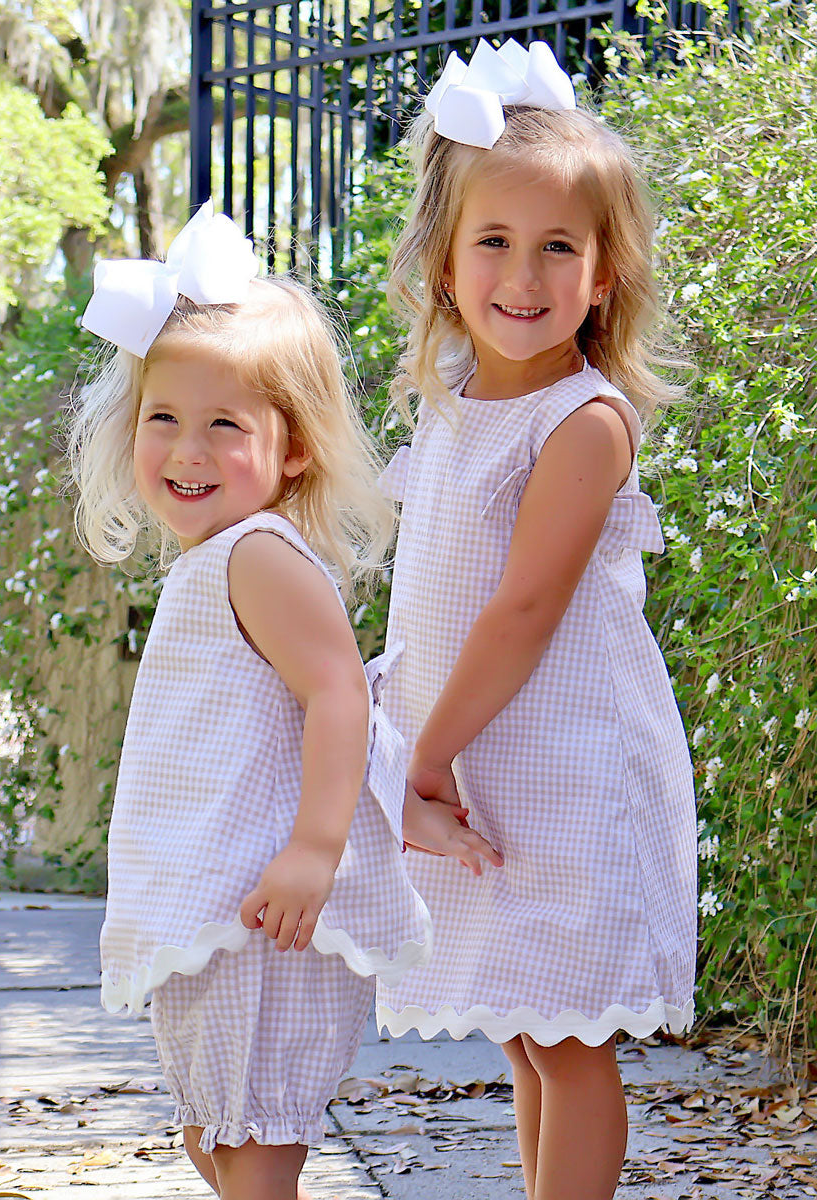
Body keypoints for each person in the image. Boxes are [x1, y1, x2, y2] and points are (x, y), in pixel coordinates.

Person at [65, 203, 454, 1200]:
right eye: (164, 418)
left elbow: (339, 696)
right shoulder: (217, 559)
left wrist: (316, 849)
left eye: (224, 426)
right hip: (226, 900)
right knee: (220, 1140)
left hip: (268, 910)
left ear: (294, 449)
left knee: (251, 1147)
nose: (186, 451)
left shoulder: (258, 556)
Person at [374, 40, 698, 1200]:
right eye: (495, 242)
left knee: (568, 1038)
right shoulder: (455, 405)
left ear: (605, 275)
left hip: (562, 764)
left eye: (560, 246)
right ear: (445, 262)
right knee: (523, 1025)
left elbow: (521, 610)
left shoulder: (583, 423)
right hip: (477, 755)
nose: (525, 273)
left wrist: (422, 759)